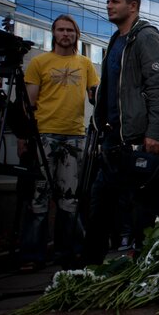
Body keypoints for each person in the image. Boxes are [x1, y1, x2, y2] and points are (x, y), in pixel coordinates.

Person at [83, 0, 159, 264]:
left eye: (115, 2)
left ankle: (145, 269)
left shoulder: (145, 37)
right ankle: (89, 270)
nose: (109, 6)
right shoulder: (115, 41)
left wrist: (155, 133)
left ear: (132, 6)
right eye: (108, 1)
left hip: (137, 142)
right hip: (111, 142)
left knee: (141, 213)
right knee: (98, 208)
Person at [16, 15, 99, 270]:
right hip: (44, 135)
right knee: (39, 197)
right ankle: (33, 255)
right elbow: (28, 103)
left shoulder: (85, 64)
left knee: (70, 199)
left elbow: (96, 97)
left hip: (75, 135)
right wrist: (23, 136)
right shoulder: (39, 62)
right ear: (54, 33)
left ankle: (70, 252)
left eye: (70, 30)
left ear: (76, 34)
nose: (66, 34)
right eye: (61, 30)